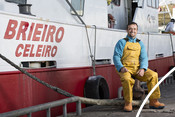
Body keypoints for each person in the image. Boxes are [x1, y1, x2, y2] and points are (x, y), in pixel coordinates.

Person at [113, 22, 165, 112]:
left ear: (137, 31)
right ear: (127, 30)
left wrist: (143, 68)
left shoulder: (140, 43)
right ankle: (128, 103)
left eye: (134, 29)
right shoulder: (121, 42)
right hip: (125, 68)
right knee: (127, 79)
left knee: (153, 75)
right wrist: (121, 67)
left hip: (137, 68)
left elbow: (144, 58)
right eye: (130, 29)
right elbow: (116, 56)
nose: (132, 31)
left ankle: (153, 101)